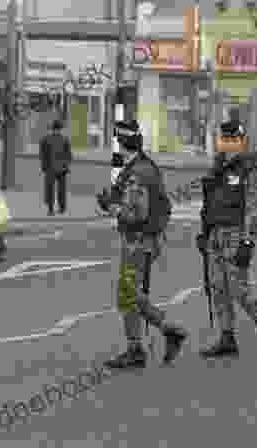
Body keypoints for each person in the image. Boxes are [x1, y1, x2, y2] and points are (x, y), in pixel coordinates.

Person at [96, 120, 188, 369]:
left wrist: (111, 207)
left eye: (117, 142)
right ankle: (143, 344)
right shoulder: (142, 167)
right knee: (130, 293)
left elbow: (137, 214)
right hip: (145, 240)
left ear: (123, 143)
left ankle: (159, 336)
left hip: (139, 241)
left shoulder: (138, 174)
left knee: (128, 295)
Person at [195, 120, 257, 359]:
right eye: (223, 140)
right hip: (215, 234)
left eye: (231, 140)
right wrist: (204, 233)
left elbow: (254, 210)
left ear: (240, 141)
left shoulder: (249, 170)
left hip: (235, 234)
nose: (225, 145)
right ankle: (227, 337)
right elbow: (210, 203)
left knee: (238, 289)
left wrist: (247, 242)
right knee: (218, 288)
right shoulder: (218, 167)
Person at [39, 119, 72, 215]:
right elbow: (69, 155)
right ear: (60, 129)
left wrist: (44, 167)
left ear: (52, 128)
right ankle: (62, 208)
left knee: (49, 189)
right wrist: (67, 165)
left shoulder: (45, 139)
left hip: (50, 168)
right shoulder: (65, 139)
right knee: (62, 189)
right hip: (62, 168)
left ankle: (50, 209)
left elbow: (42, 155)